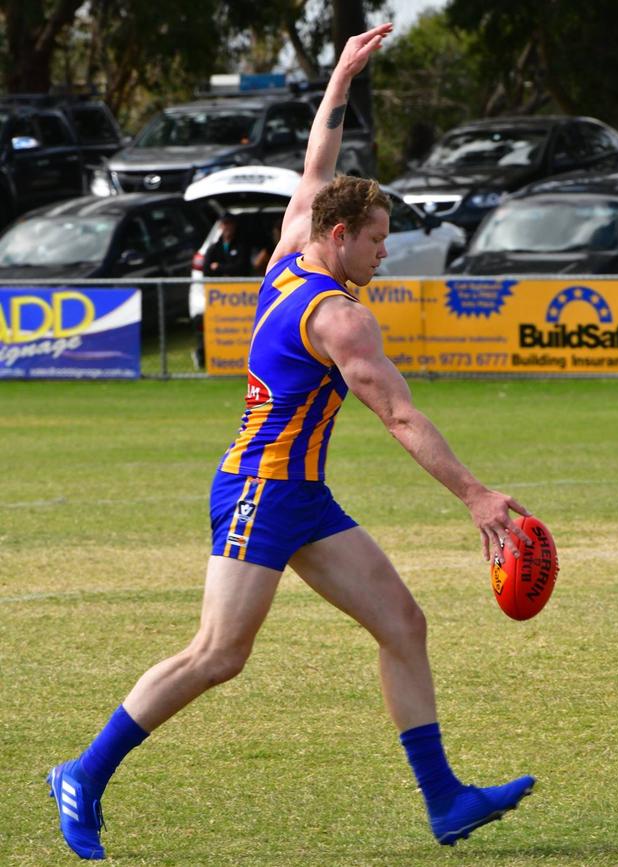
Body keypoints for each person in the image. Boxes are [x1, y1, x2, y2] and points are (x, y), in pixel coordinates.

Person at [47, 24, 537, 861]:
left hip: (301, 497)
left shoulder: (288, 256)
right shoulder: (340, 315)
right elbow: (402, 417)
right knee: (218, 654)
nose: (385, 252)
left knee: (404, 624)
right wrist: (477, 497)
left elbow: (316, 167)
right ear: (341, 237)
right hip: (257, 495)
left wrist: (340, 78)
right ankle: (82, 773)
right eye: (378, 238)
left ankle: (446, 799)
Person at [191, 212, 251, 370]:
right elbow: (206, 270)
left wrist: (220, 268)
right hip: (219, 298)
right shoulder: (214, 247)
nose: (227, 228)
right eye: (224, 224)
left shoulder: (241, 245)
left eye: (229, 224)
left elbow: (242, 267)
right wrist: (225, 270)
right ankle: (204, 356)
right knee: (204, 322)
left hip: (240, 297)